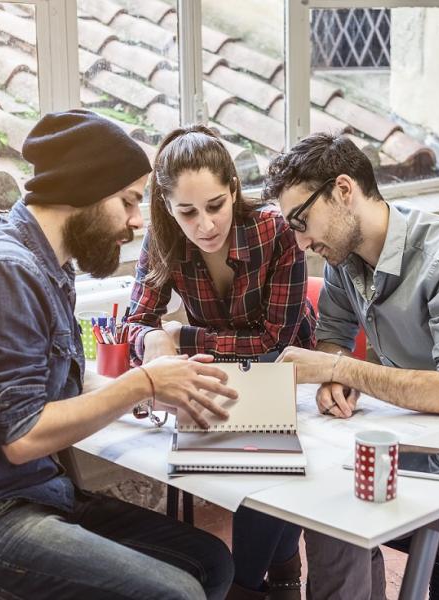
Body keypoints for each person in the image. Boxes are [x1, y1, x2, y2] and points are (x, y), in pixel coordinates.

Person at [0, 110, 238, 600]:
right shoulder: (1, 271)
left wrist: (161, 393)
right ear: (84, 193)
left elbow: (64, 387)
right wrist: (145, 383)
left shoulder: (50, 265)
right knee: (176, 594)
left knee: (212, 562)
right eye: (128, 202)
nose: (138, 221)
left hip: (29, 495)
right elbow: (23, 435)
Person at [263, 133, 439, 600]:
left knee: (335, 498)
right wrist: (334, 371)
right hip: (418, 428)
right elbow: (334, 339)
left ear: (344, 190)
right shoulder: (343, 259)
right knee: (319, 489)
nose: (303, 242)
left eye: (303, 221)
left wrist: (346, 373)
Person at [127, 126, 317, 600]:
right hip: (223, 376)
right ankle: (283, 568)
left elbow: (274, 340)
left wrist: (184, 336)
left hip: (295, 373)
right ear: (167, 207)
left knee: (264, 457)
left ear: (234, 188)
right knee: (242, 445)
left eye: (215, 205)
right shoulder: (163, 238)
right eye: (187, 211)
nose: (205, 225)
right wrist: (152, 337)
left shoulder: (275, 231)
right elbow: (133, 323)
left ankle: (246, 587)